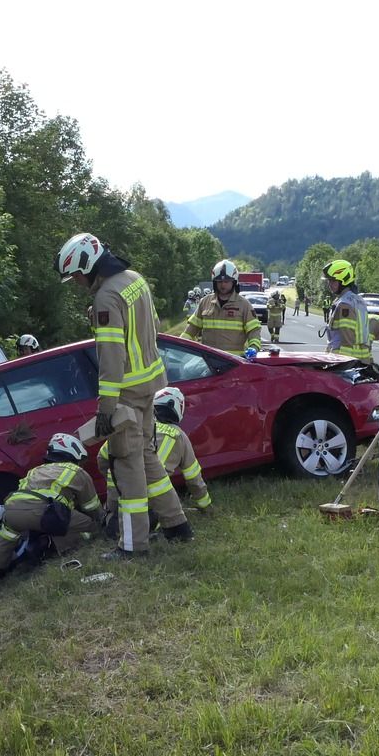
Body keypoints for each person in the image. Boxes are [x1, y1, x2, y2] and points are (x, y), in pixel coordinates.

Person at [57, 231, 191, 556]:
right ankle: (177, 525)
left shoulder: (105, 298)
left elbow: (112, 358)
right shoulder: (134, 279)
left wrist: (106, 408)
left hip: (127, 396)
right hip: (154, 387)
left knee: (126, 467)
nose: (75, 282)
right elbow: (153, 326)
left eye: (75, 275)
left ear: (88, 266)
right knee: (148, 456)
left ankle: (133, 546)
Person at [0, 433, 103, 577]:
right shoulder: (76, 471)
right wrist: (102, 522)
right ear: (75, 454)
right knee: (90, 527)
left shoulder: (35, 470)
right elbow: (91, 506)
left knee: (7, 535)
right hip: (45, 512)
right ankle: (49, 545)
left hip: (12, 508)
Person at [105, 385, 211, 518]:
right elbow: (194, 478)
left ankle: (112, 519)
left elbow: (102, 457)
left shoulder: (133, 427)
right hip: (151, 504)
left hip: (119, 496)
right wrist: (205, 505)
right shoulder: (178, 436)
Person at [186, 259, 262, 355]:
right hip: (208, 361)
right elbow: (191, 329)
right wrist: (179, 346)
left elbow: (254, 330)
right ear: (214, 282)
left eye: (226, 281)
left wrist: (254, 347)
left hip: (235, 363)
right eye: (219, 281)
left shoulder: (244, 305)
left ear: (234, 282)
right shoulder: (205, 302)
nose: (223, 284)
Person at [323, 260, 371, 363]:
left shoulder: (344, 304)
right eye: (329, 281)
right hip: (361, 359)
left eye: (333, 281)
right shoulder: (358, 300)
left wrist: (341, 362)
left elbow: (347, 337)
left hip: (346, 360)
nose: (329, 284)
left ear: (344, 280)